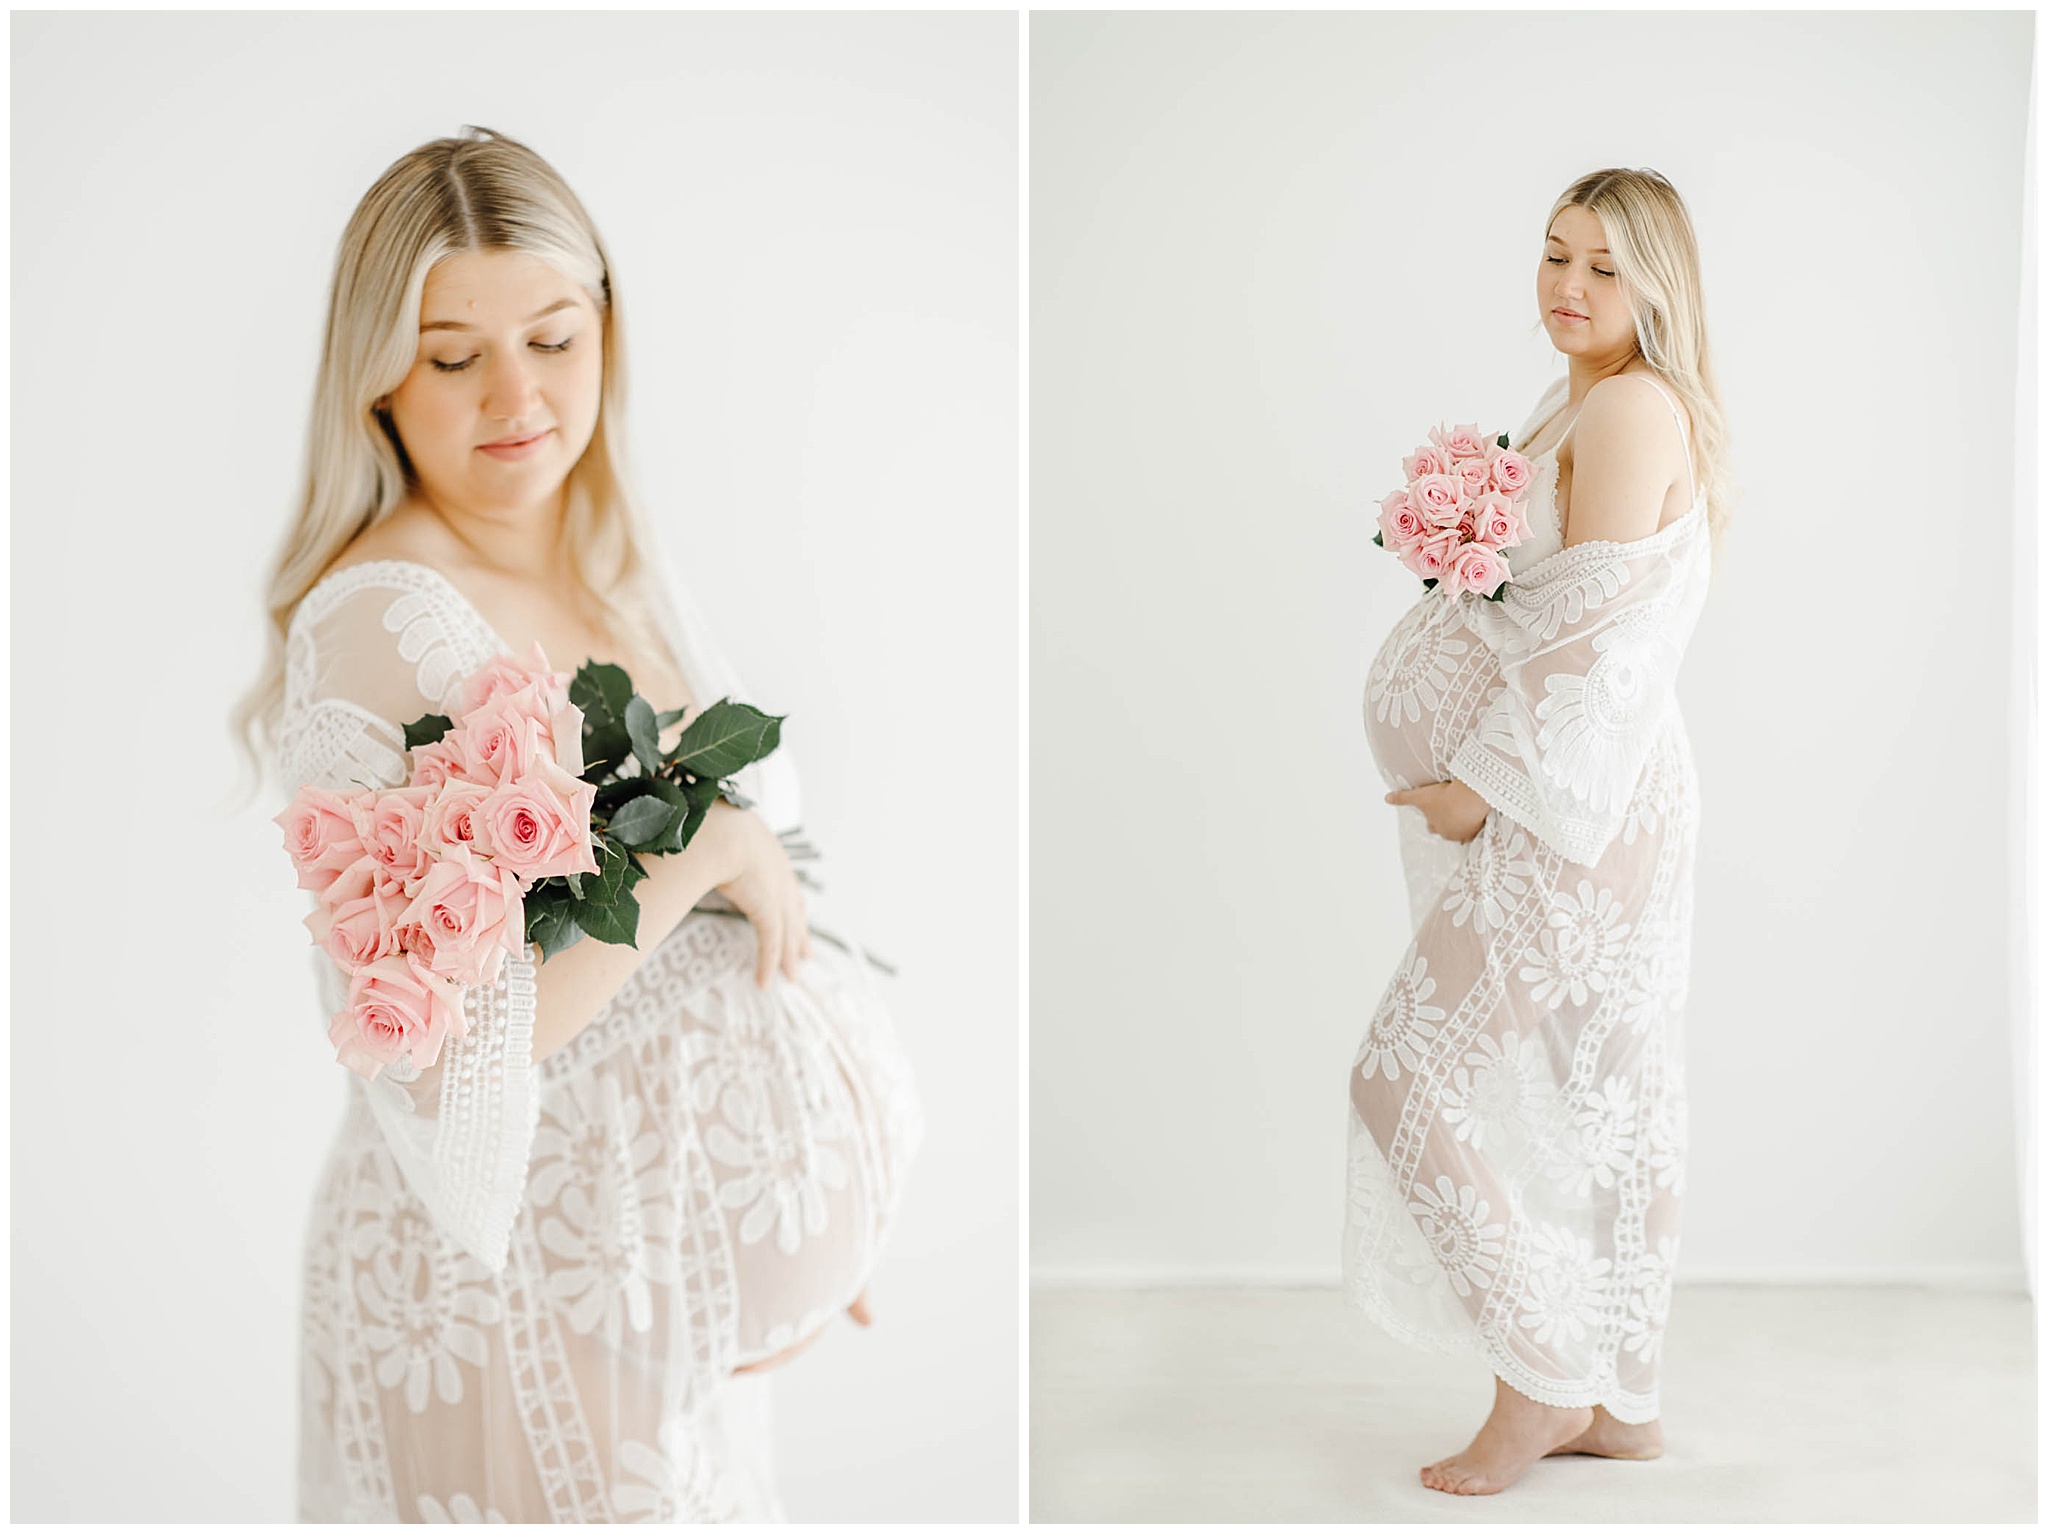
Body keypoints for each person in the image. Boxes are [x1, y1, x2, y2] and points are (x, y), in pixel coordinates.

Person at [232, 126, 923, 1522]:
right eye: (452, 355)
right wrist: (704, 846)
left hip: (645, 1281)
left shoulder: (613, 563)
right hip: (510, 1285)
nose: (518, 396)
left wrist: (801, 1229)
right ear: (375, 373)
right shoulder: (386, 621)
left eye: (554, 335)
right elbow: (456, 1043)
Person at [1348, 167, 1732, 1496]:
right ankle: (1620, 1395)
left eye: (1605, 267)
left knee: (1404, 1072)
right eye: (1554, 254)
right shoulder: (1587, 397)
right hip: (1602, 798)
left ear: (1658, 287)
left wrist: (1483, 788)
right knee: (1598, 1092)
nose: (1568, 285)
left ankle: (1539, 1386)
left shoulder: (1630, 409)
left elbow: (1597, 640)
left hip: (1580, 802)